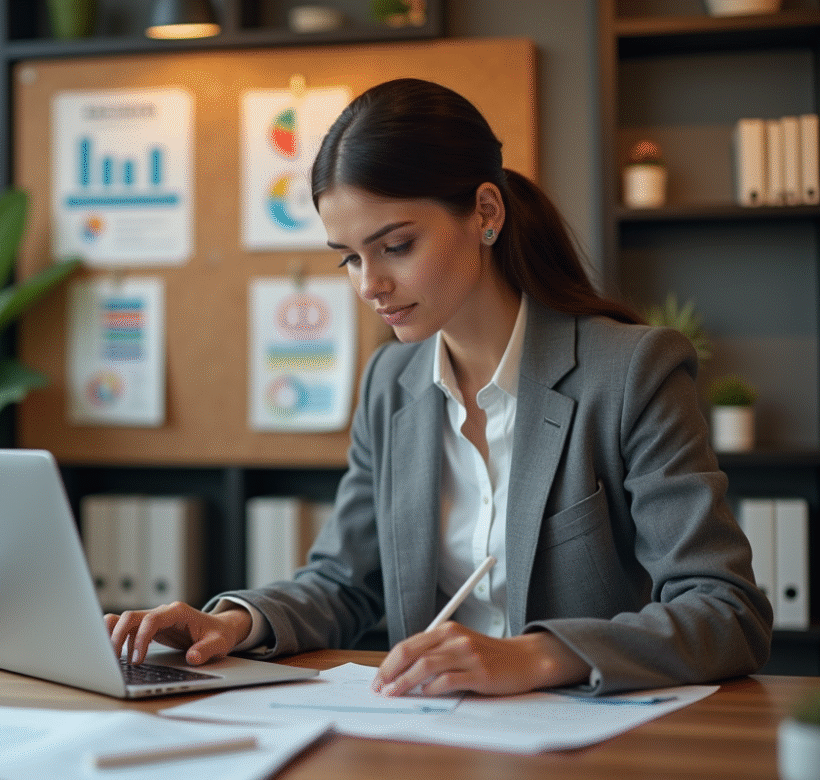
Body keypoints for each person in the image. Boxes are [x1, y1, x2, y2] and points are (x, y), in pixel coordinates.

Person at [106, 78, 773, 697]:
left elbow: (726, 611)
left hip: (590, 744)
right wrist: (236, 624)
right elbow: (345, 581)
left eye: (395, 246)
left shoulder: (631, 372)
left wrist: (537, 655)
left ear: (485, 211)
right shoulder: (391, 383)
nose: (370, 284)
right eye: (349, 257)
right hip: (431, 736)